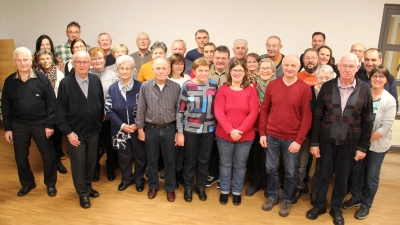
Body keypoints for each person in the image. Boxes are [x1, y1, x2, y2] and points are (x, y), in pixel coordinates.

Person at [306, 53, 373, 225]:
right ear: (338, 67)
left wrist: (363, 147)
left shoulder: (365, 89)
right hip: (327, 140)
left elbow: (367, 120)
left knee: (342, 179)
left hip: (350, 143)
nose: (347, 69)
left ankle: (336, 208)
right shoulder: (327, 86)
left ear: (358, 68)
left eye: (351, 66)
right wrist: (314, 143)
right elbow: (318, 117)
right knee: (323, 175)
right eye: (344, 65)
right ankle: (320, 205)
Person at [259, 54, 312, 217]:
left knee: (290, 172)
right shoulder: (273, 85)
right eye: (287, 65)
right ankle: (273, 196)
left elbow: (307, 117)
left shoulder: (304, 88)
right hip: (272, 135)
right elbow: (265, 110)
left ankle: (287, 199)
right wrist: (262, 133)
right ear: (282, 67)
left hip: (292, 139)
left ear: (299, 68)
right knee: (271, 168)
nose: (289, 68)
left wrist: (299, 140)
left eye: (293, 66)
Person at [342, 66, 396, 220]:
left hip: (377, 145)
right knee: (356, 172)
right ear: (370, 77)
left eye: (381, 76)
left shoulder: (389, 100)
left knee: (371, 175)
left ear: (386, 80)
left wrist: (364, 142)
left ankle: (366, 204)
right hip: (358, 142)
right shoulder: (362, 93)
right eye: (375, 76)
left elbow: (385, 127)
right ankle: (356, 197)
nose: (377, 79)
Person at [2, 47, 57, 197]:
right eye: (19, 60)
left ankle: (50, 184)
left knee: (48, 156)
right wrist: (7, 128)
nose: (22, 63)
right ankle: (27, 183)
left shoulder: (41, 78)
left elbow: (51, 104)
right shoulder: (9, 81)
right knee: (20, 157)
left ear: (31, 60)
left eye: (25, 59)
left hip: (41, 125)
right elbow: (6, 107)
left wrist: (49, 125)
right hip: (19, 125)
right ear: (14, 62)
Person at [56, 50, 104, 209]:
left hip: (93, 131)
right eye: (79, 62)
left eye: (85, 62)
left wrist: (98, 125)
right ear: (73, 64)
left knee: (91, 162)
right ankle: (82, 193)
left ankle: (88, 187)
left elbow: (100, 103)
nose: (82, 65)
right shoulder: (66, 84)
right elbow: (60, 112)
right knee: (78, 164)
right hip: (75, 133)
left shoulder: (95, 80)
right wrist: (69, 133)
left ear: (90, 63)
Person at [214, 60, 259, 206]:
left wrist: (240, 131)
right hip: (224, 135)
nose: (237, 73)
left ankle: (237, 192)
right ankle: (225, 191)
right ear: (230, 72)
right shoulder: (223, 90)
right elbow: (218, 112)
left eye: (240, 70)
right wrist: (230, 130)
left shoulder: (251, 90)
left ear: (244, 73)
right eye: (234, 70)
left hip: (245, 137)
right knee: (225, 164)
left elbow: (253, 113)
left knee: (240, 165)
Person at [136, 58, 181, 202]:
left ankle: (170, 188)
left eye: (164, 68)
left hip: (169, 128)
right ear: (153, 70)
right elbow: (141, 108)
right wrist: (140, 129)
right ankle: (153, 186)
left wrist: (179, 131)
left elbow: (179, 111)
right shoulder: (145, 86)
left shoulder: (176, 87)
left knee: (170, 160)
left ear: (169, 70)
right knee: (152, 159)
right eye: (158, 68)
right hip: (151, 129)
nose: (161, 71)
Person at [176, 58, 218, 202]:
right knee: (190, 160)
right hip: (191, 129)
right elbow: (180, 111)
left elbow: (216, 108)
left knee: (204, 160)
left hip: (209, 128)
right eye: (200, 70)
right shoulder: (187, 86)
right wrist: (180, 132)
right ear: (194, 71)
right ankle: (188, 187)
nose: (203, 73)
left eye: (206, 70)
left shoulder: (213, 85)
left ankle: (200, 186)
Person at [105, 55, 147, 192]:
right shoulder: (112, 88)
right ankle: (126, 179)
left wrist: (136, 124)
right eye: (121, 68)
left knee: (140, 156)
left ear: (133, 70)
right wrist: (122, 126)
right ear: (117, 70)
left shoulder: (141, 87)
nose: (124, 71)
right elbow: (108, 110)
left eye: (127, 68)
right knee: (124, 157)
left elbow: (146, 108)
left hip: (138, 128)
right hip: (119, 130)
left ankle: (139, 179)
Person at [246, 58, 276, 197]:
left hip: (272, 128)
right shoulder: (252, 86)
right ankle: (255, 183)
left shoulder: (278, 86)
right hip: (256, 127)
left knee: (269, 159)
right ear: (258, 71)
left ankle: (268, 185)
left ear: (273, 71)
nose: (265, 71)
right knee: (256, 157)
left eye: (267, 68)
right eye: (262, 68)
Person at [33, 49, 67, 174]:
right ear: (38, 61)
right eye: (42, 59)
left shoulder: (59, 74)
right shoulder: (35, 75)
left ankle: (58, 161)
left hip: (57, 111)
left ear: (52, 59)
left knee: (57, 138)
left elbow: (63, 94)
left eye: (47, 58)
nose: (45, 61)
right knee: (46, 140)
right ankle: (49, 164)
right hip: (42, 112)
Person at [88, 47, 119, 182]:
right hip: (92, 119)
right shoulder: (86, 75)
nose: (97, 61)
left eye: (100, 58)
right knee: (93, 146)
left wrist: (107, 113)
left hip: (109, 117)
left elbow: (116, 96)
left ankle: (110, 167)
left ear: (105, 59)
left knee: (110, 145)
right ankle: (95, 168)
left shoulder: (113, 75)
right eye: (94, 59)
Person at [308, 65, 336, 205]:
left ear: (332, 79)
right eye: (321, 77)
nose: (323, 80)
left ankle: (315, 192)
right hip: (307, 133)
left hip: (325, 134)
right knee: (303, 164)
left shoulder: (334, 93)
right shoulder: (308, 91)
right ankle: (300, 188)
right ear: (316, 77)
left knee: (320, 166)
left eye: (327, 78)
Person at [206, 45, 231, 189]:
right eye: (217, 58)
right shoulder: (206, 72)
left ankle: (224, 176)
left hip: (227, 118)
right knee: (211, 148)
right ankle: (213, 173)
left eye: (223, 58)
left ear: (228, 59)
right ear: (213, 58)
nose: (220, 61)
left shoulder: (233, 73)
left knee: (224, 149)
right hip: (209, 116)